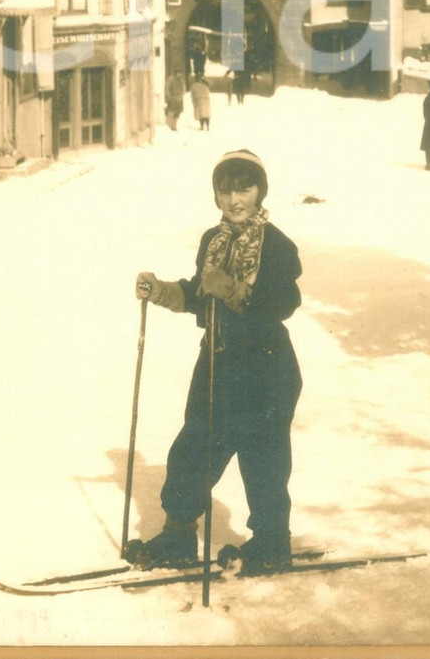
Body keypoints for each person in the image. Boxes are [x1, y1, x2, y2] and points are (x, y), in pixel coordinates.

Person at [127, 150, 303, 575]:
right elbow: (198, 292)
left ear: (260, 192)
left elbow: (284, 302)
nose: (234, 199)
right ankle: (178, 535)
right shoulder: (213, 241)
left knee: (263, 458)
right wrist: (162, 291)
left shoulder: (278, 246)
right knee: (194, 448)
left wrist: (234, 291)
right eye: (226, 190)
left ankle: (272, 543)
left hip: (265, 367)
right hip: (218, 364)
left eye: (244, 188)